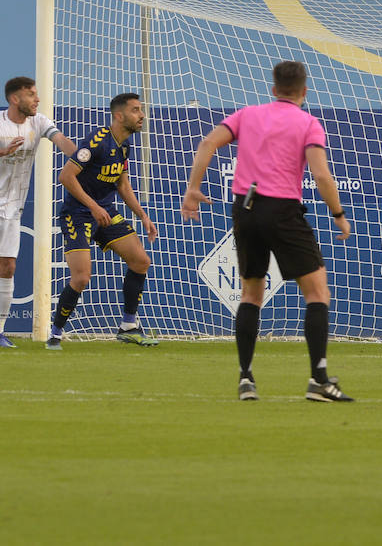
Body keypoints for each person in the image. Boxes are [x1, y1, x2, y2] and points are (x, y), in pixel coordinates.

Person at [181, 61, 353, 402]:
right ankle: (319, 380)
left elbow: (206, 144)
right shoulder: (308, 123)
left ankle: (246, 378)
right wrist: (338, 214)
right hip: (282, 211)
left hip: (245, 209)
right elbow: (320, 176)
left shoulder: (247, 115)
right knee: (317, 293)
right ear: (305, 90)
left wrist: (192, 188)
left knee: (250, 295)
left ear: (273, 89)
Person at [47, 92, 158, 349]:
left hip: (105, 212)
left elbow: (122, 183)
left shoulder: (125, 145)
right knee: (82, 277)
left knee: (141, 261)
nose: (141, 115)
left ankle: (128, 326)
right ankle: (55, 333)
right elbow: (66, 176)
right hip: (79, 214)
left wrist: (142, 215)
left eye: (140, 110)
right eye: (135, 110)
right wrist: (94, 206)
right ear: (119, 116)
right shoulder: (97, 141)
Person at [0, 77, 76, 347]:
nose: (37, 98)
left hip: (11, 210)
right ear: (14, 99)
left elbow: (61, 141)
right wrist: (2, 151)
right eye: (31, 94)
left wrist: (81, 158)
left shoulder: (39, 121)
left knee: (7, 267)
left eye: (36, 93)